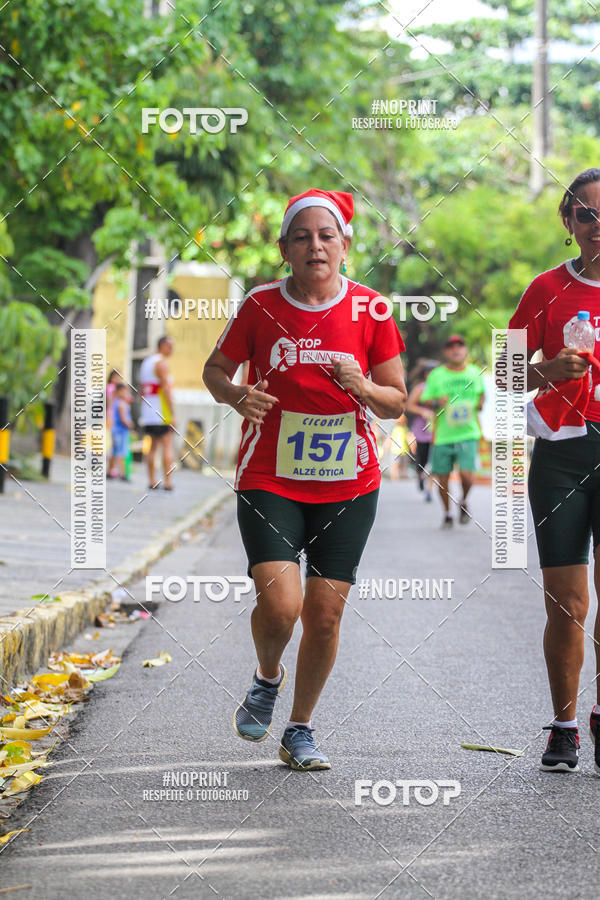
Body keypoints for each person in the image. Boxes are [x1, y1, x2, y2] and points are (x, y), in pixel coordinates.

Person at [203, 189, 406, 771]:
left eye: (326, 236)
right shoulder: (260, 305)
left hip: (350, 481)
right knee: (281, 605)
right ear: (285, 248)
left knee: (324, 614)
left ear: (345, 245)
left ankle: (300, 728)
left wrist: (362, 387)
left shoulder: (372, 310)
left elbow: (395, 401)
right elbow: (214, 371)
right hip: (269, 475)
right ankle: (267, 676)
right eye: (302, 236)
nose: (315, 246)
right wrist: (239, 394)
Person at [508, 167, 600, 774]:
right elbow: (505, 370)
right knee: (567, 602)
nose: (599, 227)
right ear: (568, 223)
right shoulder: (546, 290)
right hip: (564, 455)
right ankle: (564, 724)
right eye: (588, 215)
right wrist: (549, 372)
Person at [420, 336, 485, 528]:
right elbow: (424, 399)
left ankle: (463, 501)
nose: (455, 350)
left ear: (465, 351)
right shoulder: (436, 375)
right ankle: (447, 513)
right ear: (445, 352)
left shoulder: (475, 372)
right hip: (443, 435)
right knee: (442, 478)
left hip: (468, 433)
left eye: (459, 346)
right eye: (451, 347)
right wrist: (435, 402)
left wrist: (481, 403)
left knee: (467, 475)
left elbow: (482, 395)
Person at [138, 336, 176, 490]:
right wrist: (173, 413)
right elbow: (166, 389)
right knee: (167, 445)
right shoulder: (161, 363)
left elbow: (142, 389)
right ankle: (167, 483)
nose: (172, 350)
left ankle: (152, 480)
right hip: (161, 410)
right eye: (170, 346)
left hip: (148, 410)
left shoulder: (146, 362)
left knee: (152, 447)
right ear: (163, 346)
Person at [406, 359, 438, 501]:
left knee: (435, 460)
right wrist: (423, 411)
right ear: (425, 374)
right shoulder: (420, 388)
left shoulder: (440, 388)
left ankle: (429, 490)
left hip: (438, 429)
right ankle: (420, 474)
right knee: (422, 459)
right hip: (422, 429)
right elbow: (409, 406)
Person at [109, 383, 134, 481]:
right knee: (121, 453)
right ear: (118, 392)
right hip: (121, 431)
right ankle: (122, 474)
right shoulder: (121, 404)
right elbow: (123, 419)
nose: (126, 393)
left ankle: (110, 471)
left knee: (115, 452)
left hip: (116, 430)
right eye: (124, 391)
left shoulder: (116, 402)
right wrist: (130, 425)